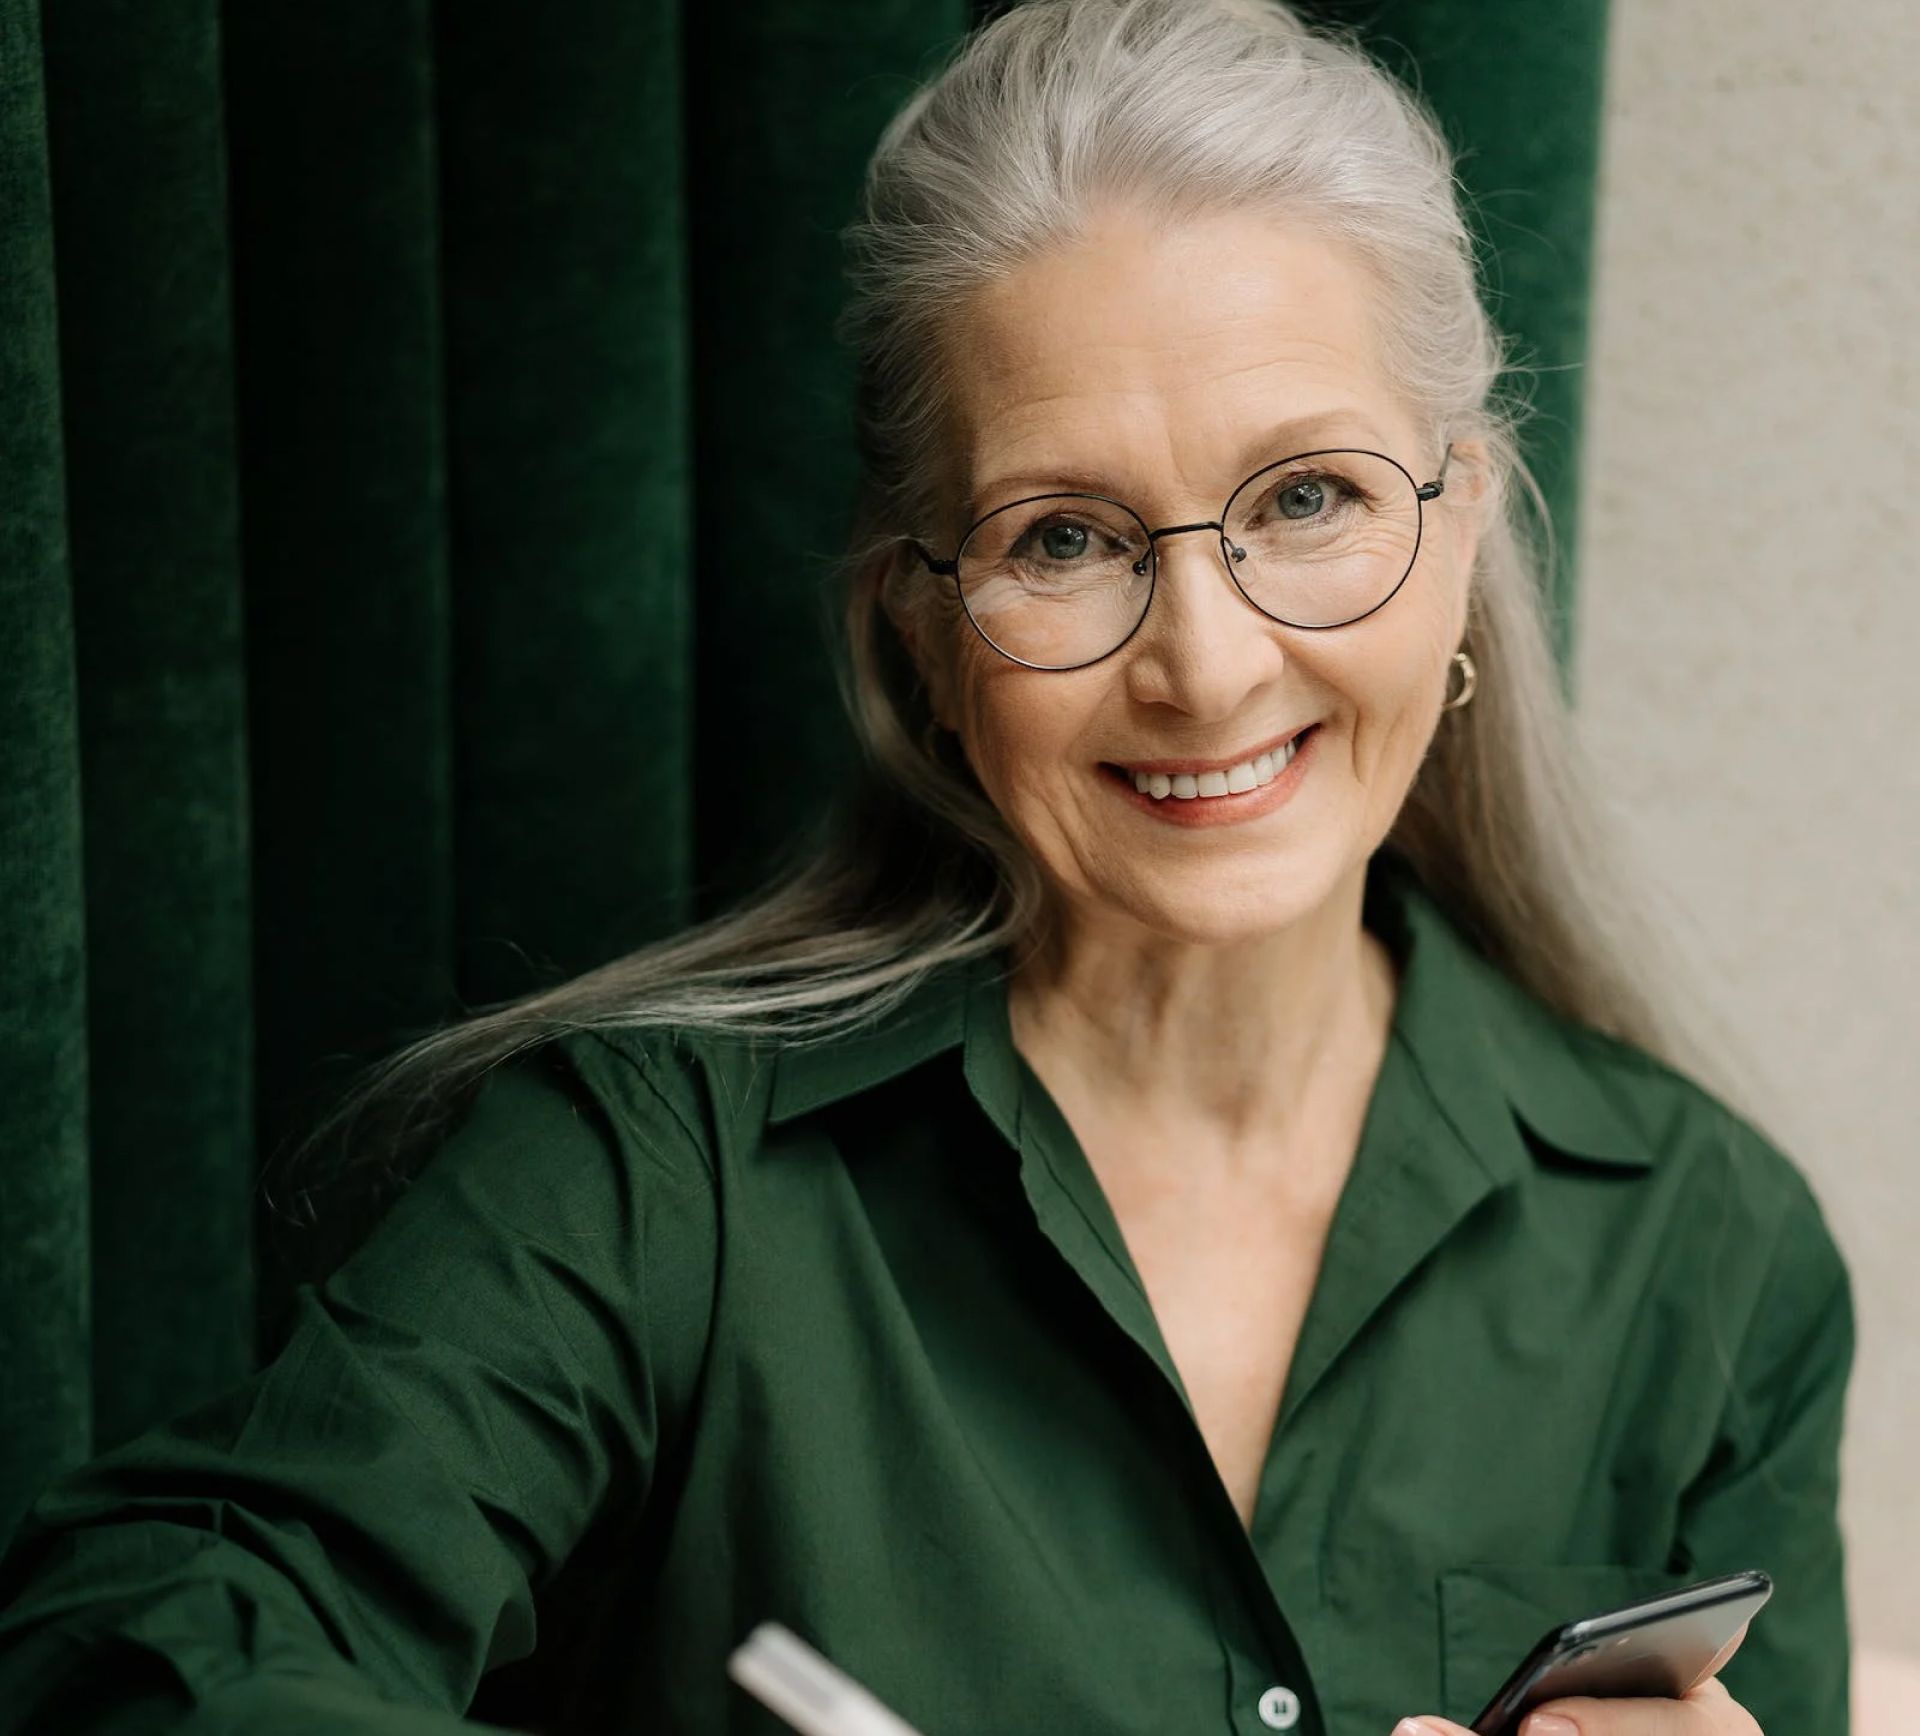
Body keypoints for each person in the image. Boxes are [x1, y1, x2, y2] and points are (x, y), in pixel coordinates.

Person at [0, 0, 1854, 1732]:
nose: (1204, 664)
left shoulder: (1716, 1255)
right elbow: (150, 1634)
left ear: (1461, 534)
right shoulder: (654, 1177)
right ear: (927, 639)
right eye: (1065, 537)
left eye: (1310, 499)